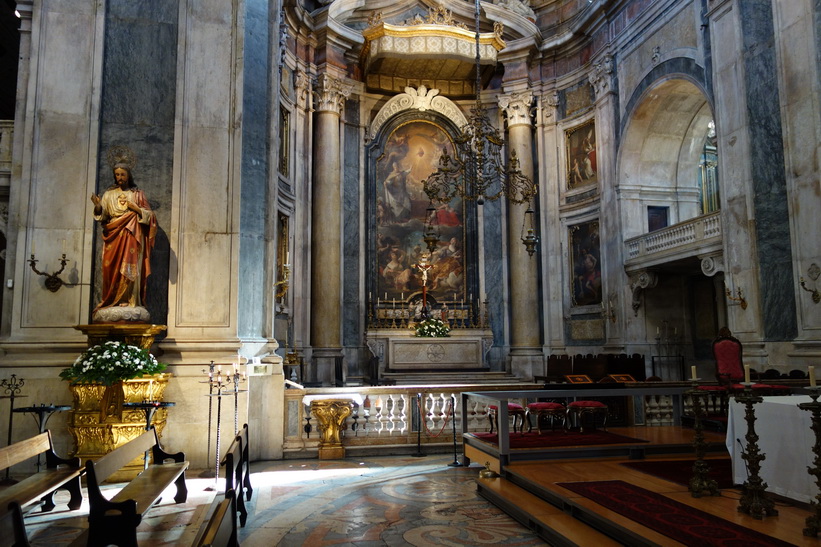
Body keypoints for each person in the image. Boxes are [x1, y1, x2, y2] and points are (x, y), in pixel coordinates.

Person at [90, 163, 157, 318]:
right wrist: (99, 206)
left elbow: (150, 217)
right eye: (117, 175)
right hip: (113, 236)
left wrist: (136, 209)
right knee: (111, 268)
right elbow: (103, 217)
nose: (120, 178)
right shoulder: (109, 194)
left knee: (130, 266)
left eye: (123, 174)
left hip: (131, 235)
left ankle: (130, 299)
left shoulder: (138, 194)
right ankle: (112, 298)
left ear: (128, 176)